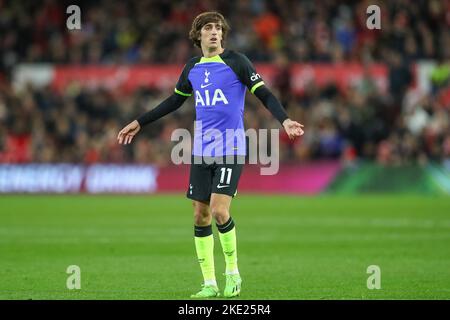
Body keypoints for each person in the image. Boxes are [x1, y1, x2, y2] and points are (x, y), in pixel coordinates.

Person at [117, 11, 304, 298]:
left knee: (219, 210)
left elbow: (264, 93)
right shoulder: (192, 67)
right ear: (198, 35)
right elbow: (173, 102)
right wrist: (139, 122)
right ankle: (209, 284)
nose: (214, 32)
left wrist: (285, 120)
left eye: (218, 28)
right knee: (200, 215)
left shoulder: (237, 62)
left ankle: (233, 274)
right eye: (208, 28)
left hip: (230, 147)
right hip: (202, 150)